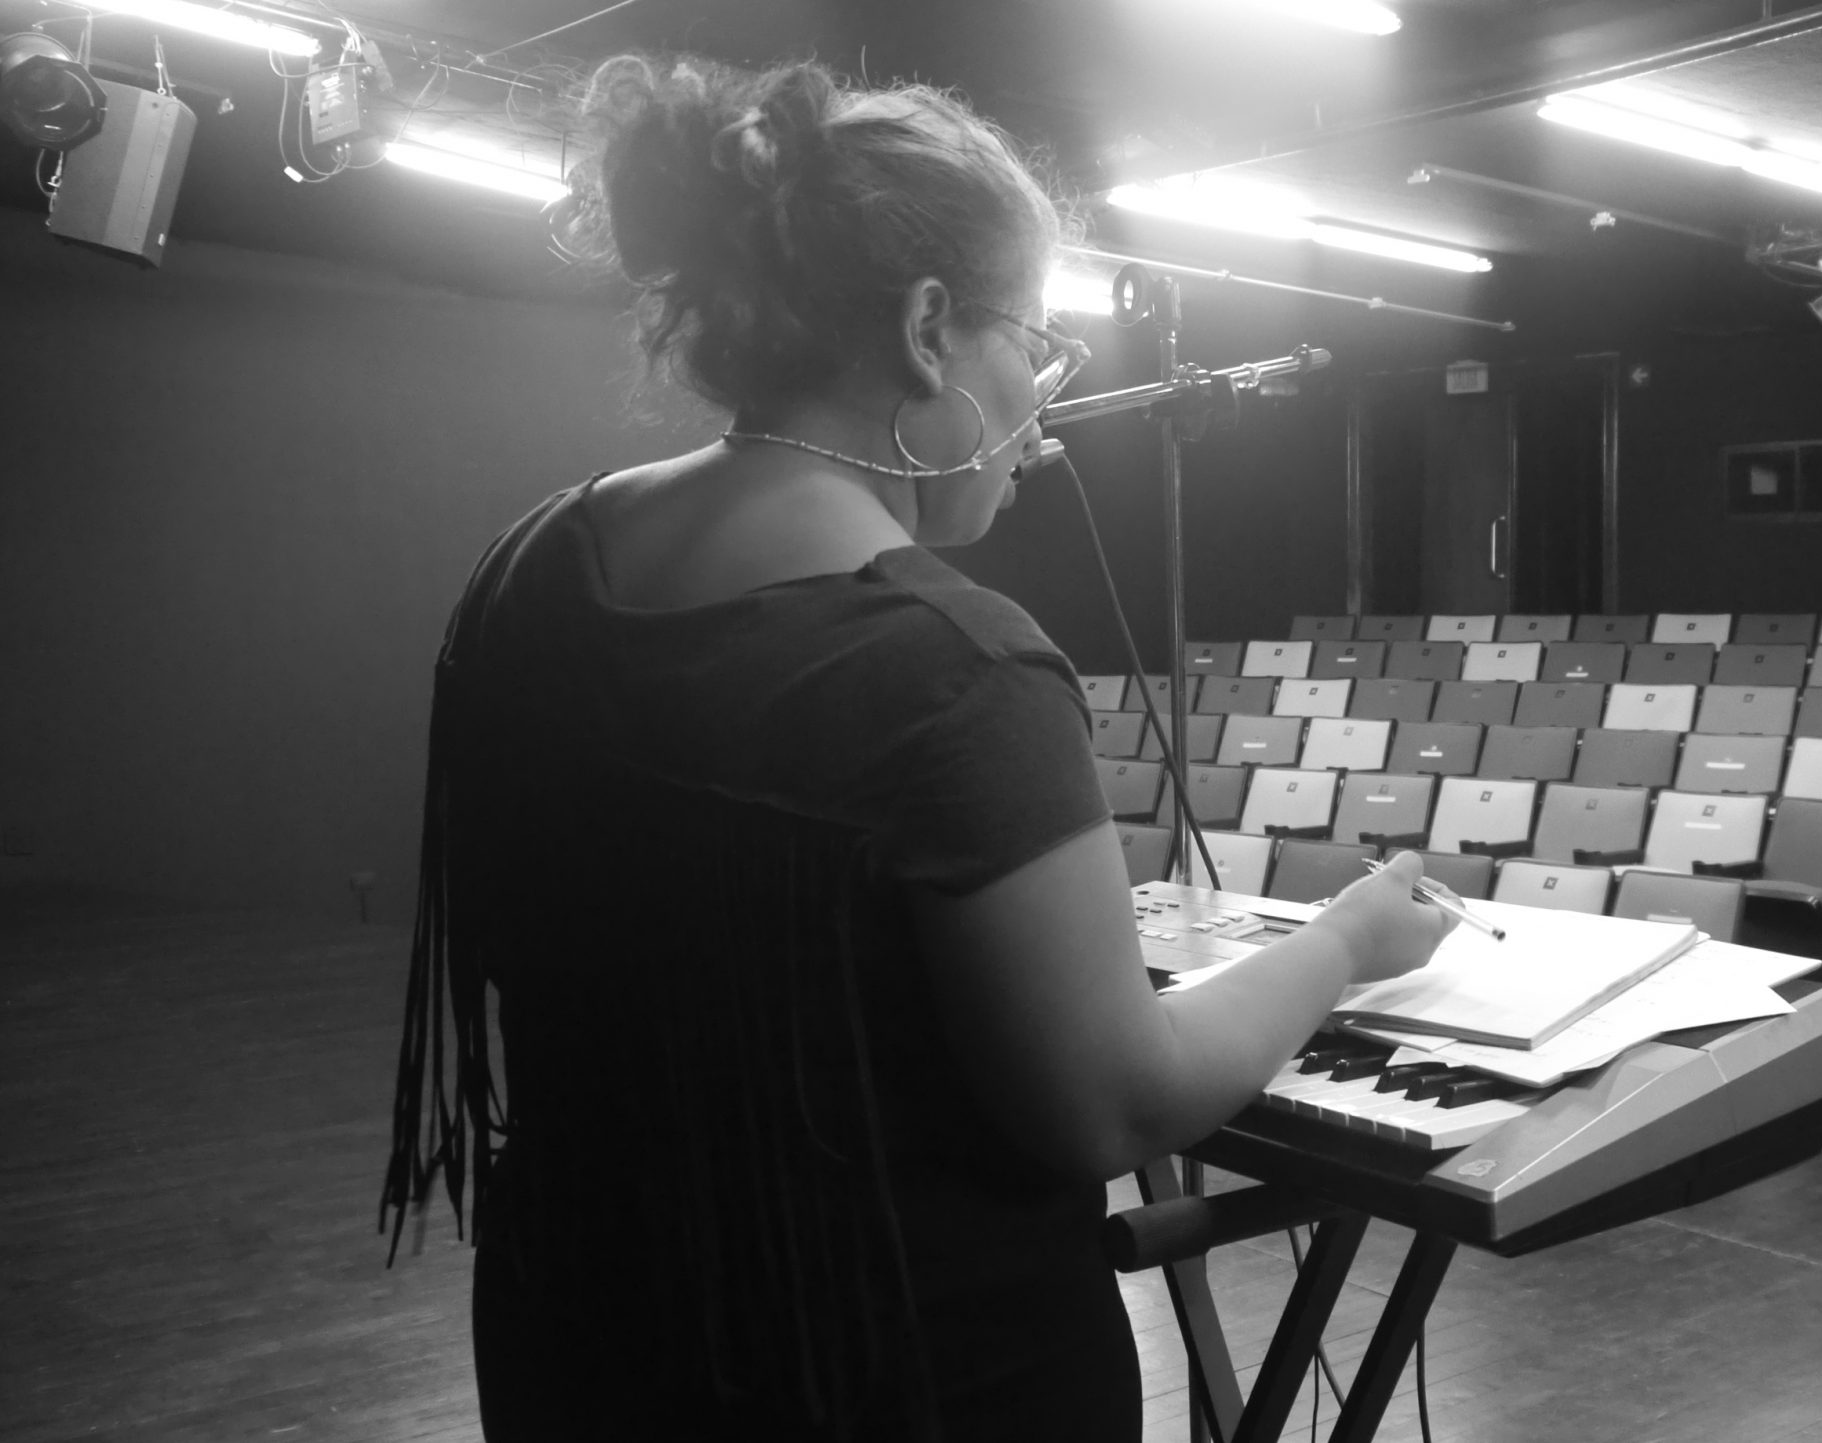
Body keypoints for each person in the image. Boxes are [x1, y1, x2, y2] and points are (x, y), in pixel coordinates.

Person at [379, 53, 1451, 1443]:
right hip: (890, 1385)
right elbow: (1121, 1103)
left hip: (583, 1344)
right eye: (1034, 341)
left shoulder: (530, 564)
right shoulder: (955, 668)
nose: (1041, 398)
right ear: (931, 330)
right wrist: (1350, 940)